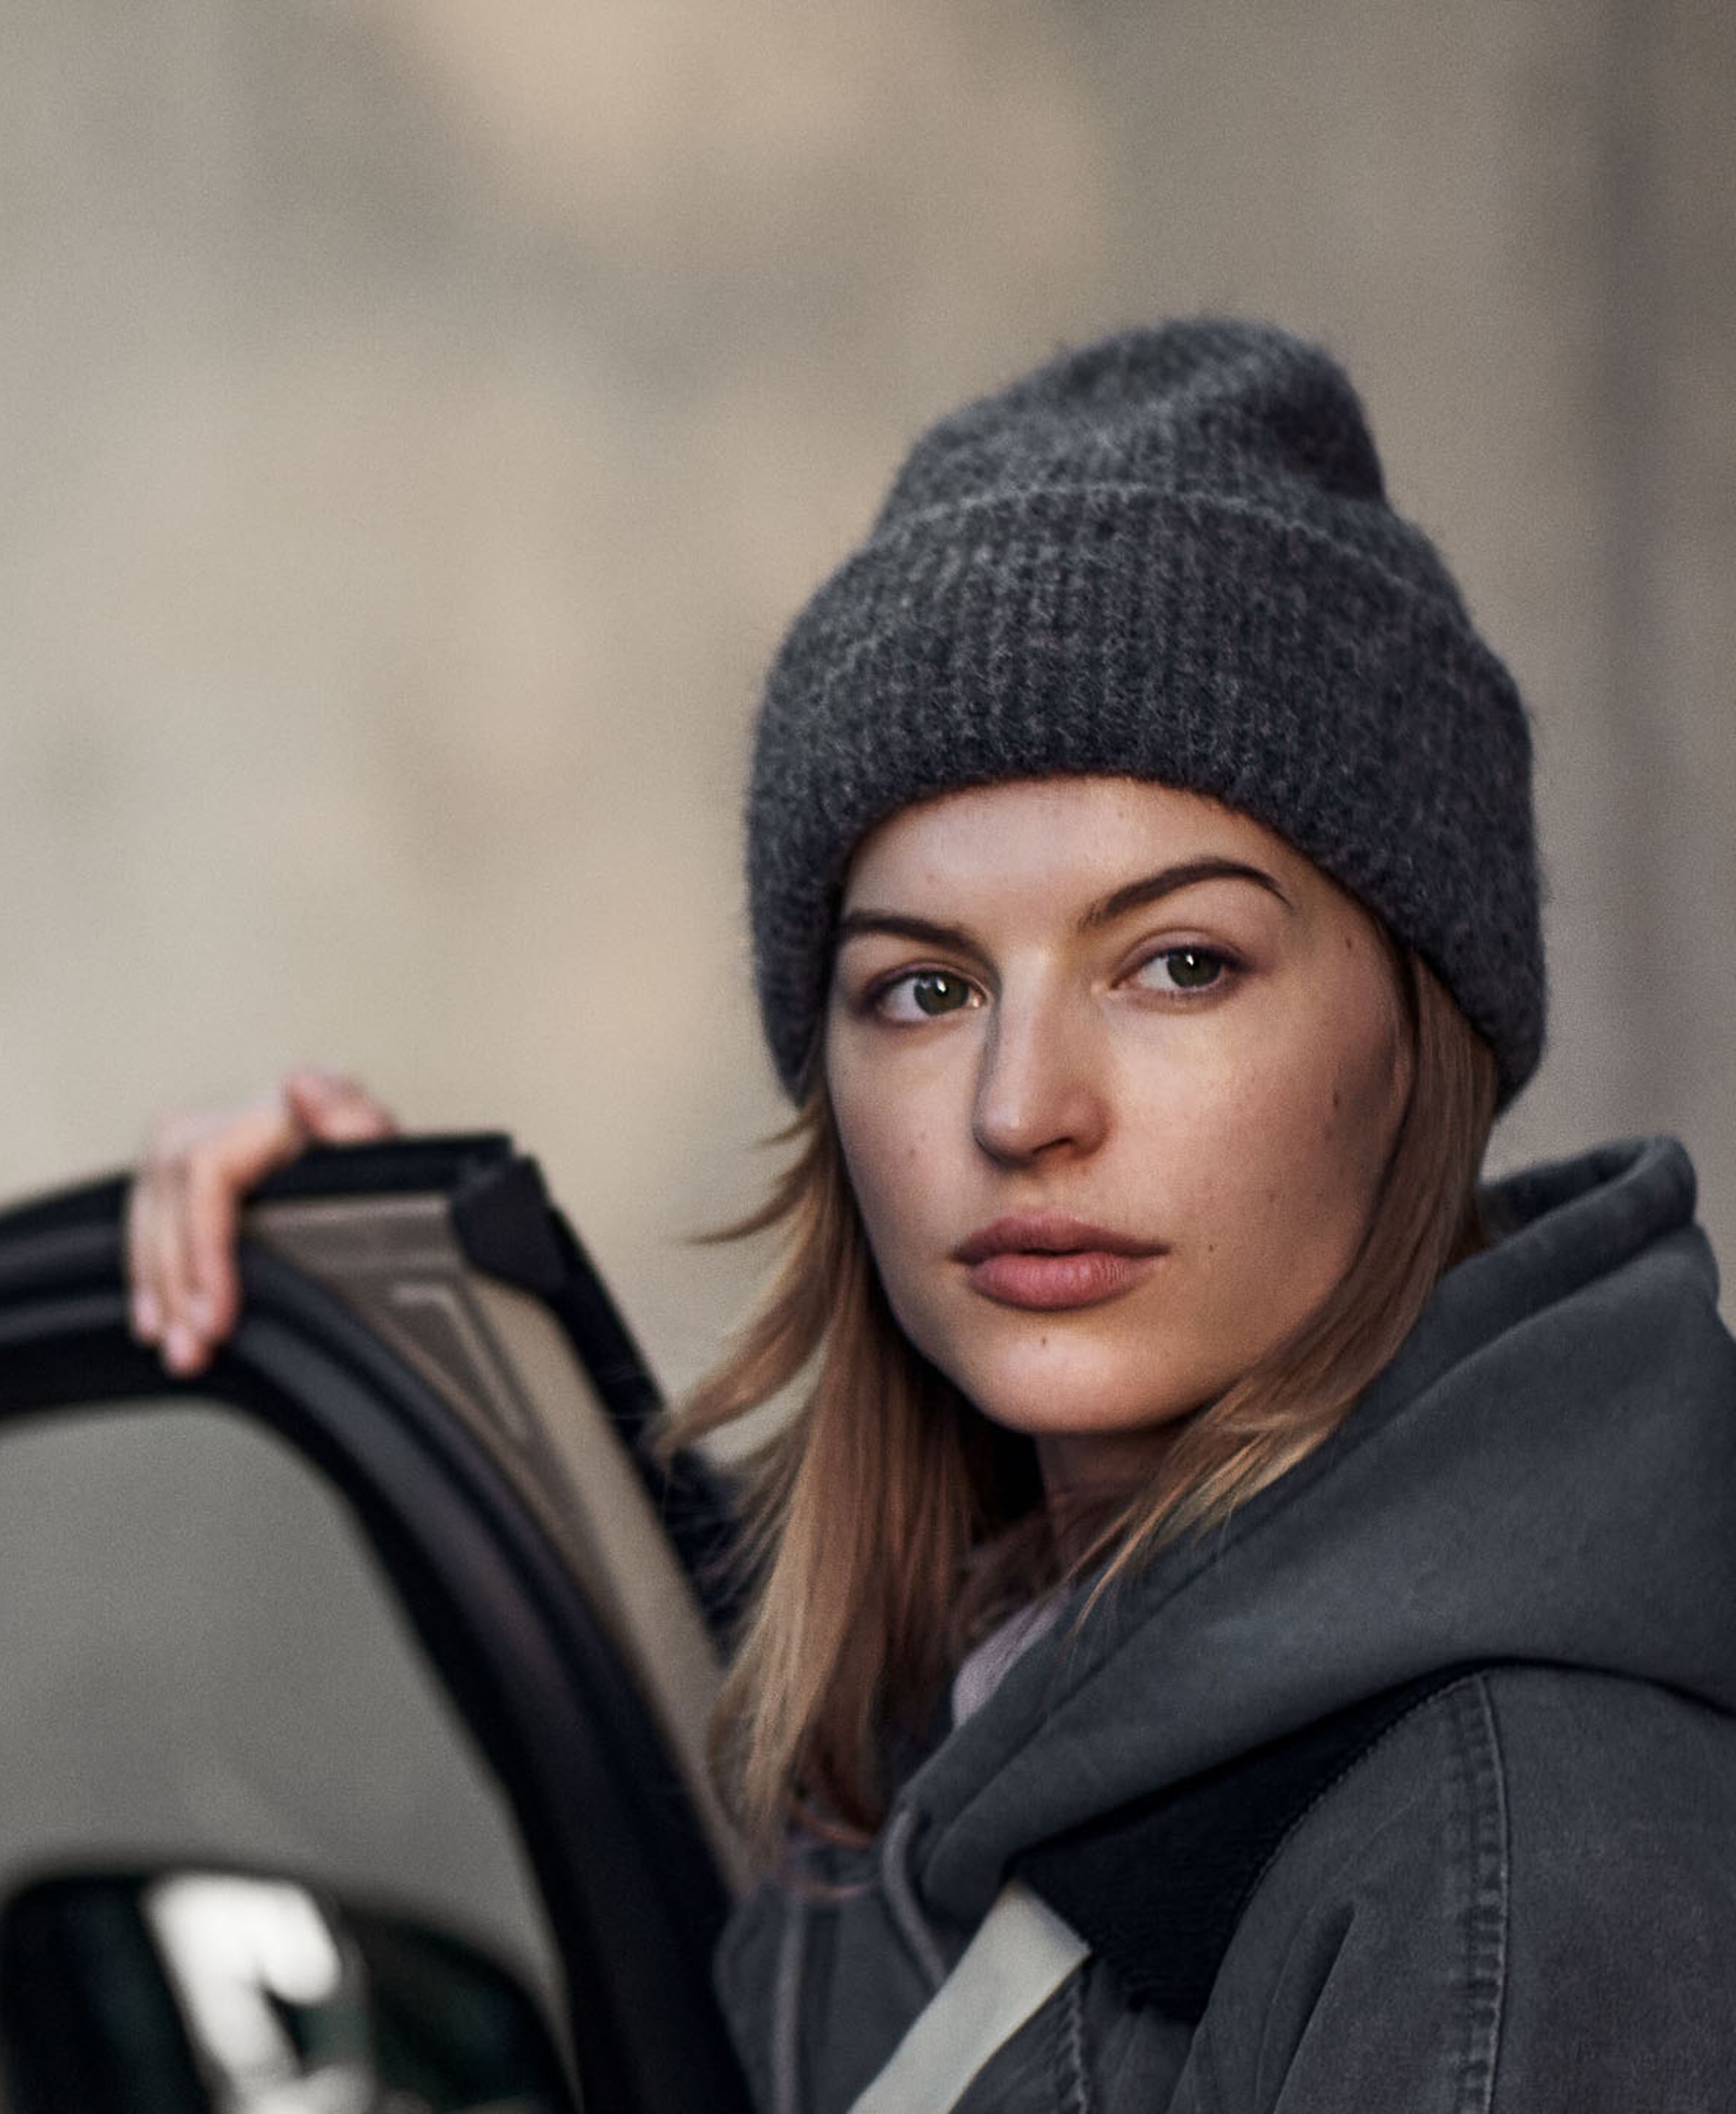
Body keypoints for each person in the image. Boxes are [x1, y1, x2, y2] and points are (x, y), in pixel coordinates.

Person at [123, 319, 1736, 2112]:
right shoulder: (957, 1681)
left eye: (1180, 964)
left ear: (1419, 1037)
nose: (1021, 1107)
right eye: (924, 989)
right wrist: (384, 1296)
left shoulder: (1513, 1869)